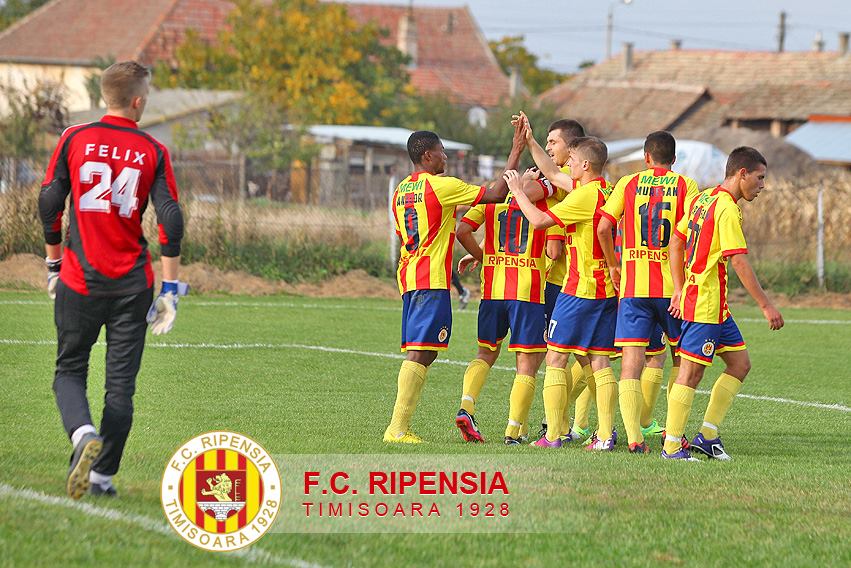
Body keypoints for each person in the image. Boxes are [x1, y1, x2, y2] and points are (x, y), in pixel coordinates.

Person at [38, 61, 184, 498]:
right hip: (132, 286)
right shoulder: (153, 150)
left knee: (69, 370)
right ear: (137, 101)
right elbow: (170, 219)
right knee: (120, 389)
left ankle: (83, 434)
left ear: (106, 96)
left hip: (79, 279)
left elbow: (50, 201)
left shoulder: (74, 137)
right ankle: (102, 476)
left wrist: (53, 263)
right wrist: (171, 290)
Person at [383, 129, 517, 443]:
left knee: (426, 351)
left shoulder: (400, 191)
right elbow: (496, 194)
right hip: (430, 279)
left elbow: (407, 234)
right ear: (427, 155)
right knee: (420, 352)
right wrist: (516, 150)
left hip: (411, 275)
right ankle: (397, 429)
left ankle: (399, 427)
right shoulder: (440, 185)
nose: (445, 156)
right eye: (442, 151)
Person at [662, 146, 784, 461]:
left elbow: (676, 241)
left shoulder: (703, 198)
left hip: (715, 306)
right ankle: (672, 446)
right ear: (742, 173)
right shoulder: (727, 208)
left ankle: (708, 436)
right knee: (690, 374)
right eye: (759, 177)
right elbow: (738, 261)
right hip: (704, 305)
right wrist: (766, 305)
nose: (762, 185)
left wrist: (679, 287)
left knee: (740, 364)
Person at [507, 127, 618, 450]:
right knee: (599, 361)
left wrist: (517, 191)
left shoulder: (583, 196)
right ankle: (605, 436)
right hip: (604, 291)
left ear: (585, 165)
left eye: (572, 160)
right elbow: (553, 174)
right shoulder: (605, 190)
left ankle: (553, 435)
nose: (567, 165)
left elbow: (539, 221)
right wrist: (529, 141)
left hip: (578, 290)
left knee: (555, 358)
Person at [596, 131, 699, 454]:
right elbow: (693, 232)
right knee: (682, 361)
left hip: (634, 288)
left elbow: (603, 227)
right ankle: (673, 434)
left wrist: (613, 265)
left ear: (646, 157)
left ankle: (634, 439)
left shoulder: (628, 183)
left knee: (631, 363)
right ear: (674, 159)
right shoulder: (686, 185)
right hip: (673, 290)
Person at [455, 166, 550, 445]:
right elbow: (553, 248)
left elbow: (462, 231)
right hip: (527, 292)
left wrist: (482, 255)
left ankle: (466, 406)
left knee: (485, 353)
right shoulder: (540, 199)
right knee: (526, 364)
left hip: (493, 290)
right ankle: (513, 431)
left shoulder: (492, 198)